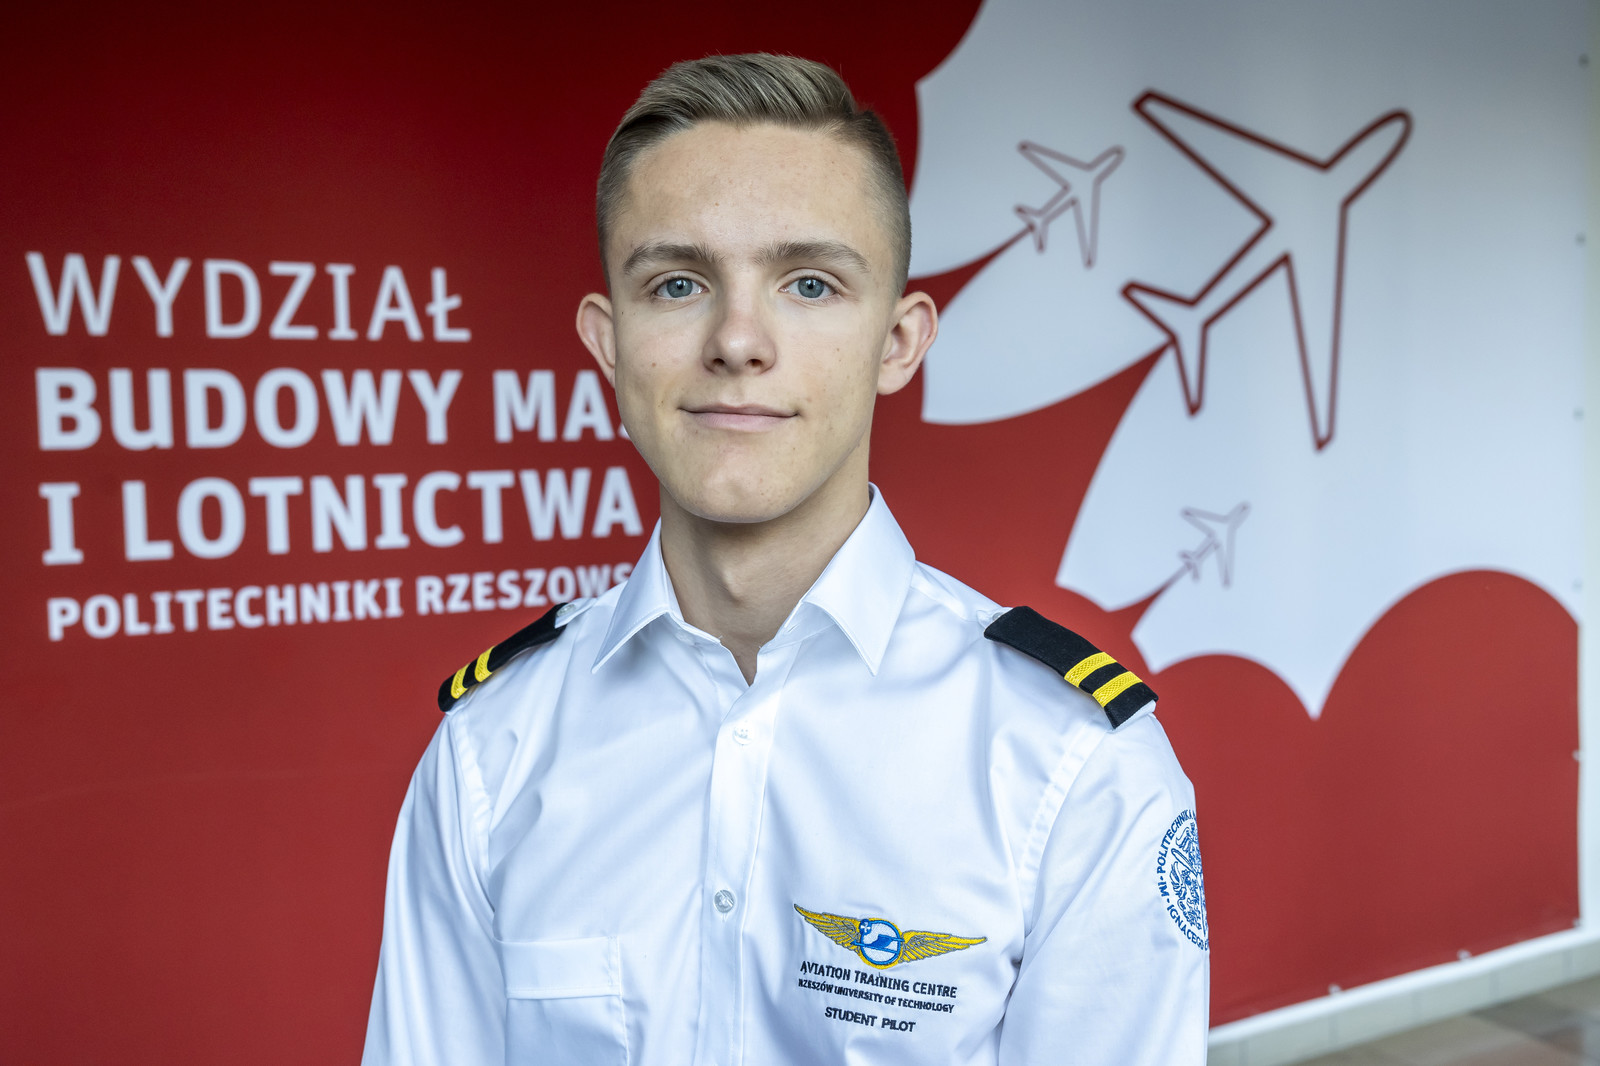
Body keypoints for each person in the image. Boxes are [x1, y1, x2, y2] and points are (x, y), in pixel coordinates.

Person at [362, 53, 1208, 1065]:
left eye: (809, 283)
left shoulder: (1074, 765)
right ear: (609, 342)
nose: (737, 340)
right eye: (678, 283)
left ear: (898, 343)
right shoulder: (490, 751)